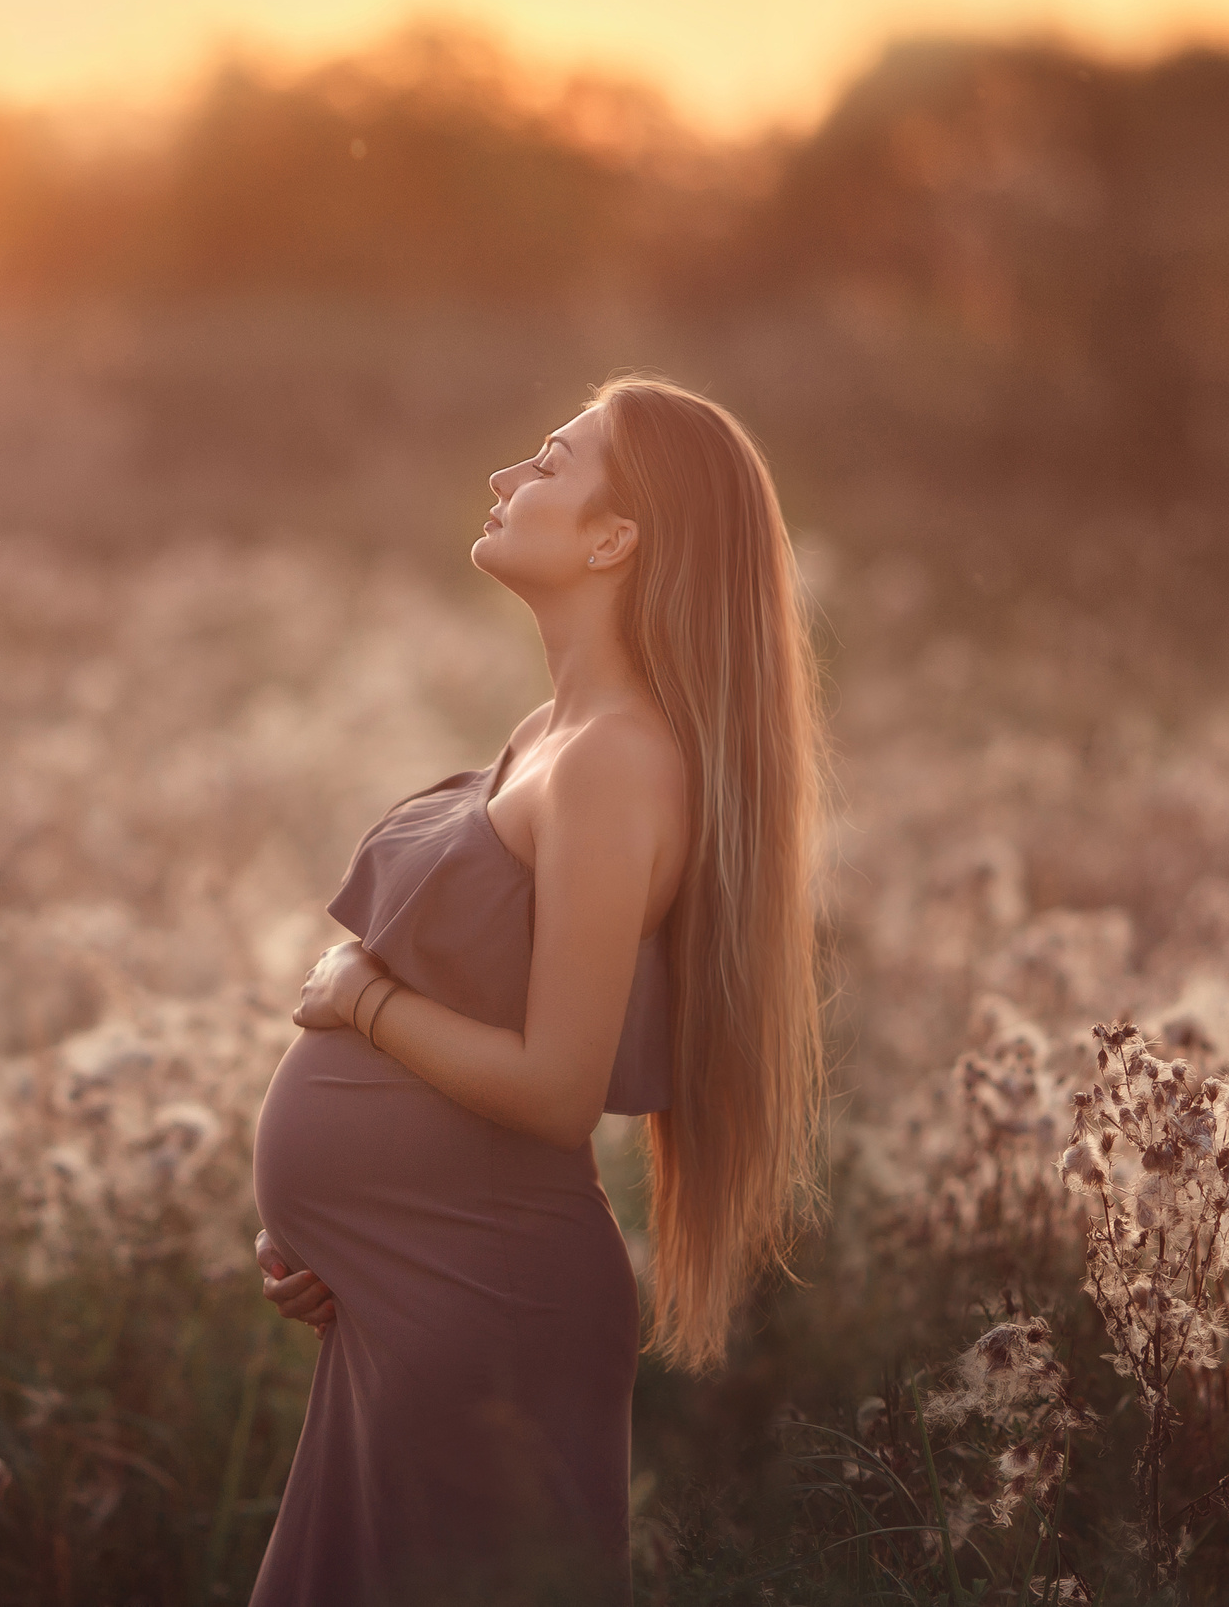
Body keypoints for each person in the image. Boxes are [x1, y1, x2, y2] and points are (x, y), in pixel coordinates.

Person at [246, 373, 827, 1605]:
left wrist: (361, 1002)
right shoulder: (551, 730)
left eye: (550, 461)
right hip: (415, 1288)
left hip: (487, 1305)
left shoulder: (617, 761)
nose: (509, 478)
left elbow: (560, 1089)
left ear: (614, 538)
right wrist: (338, 1226)